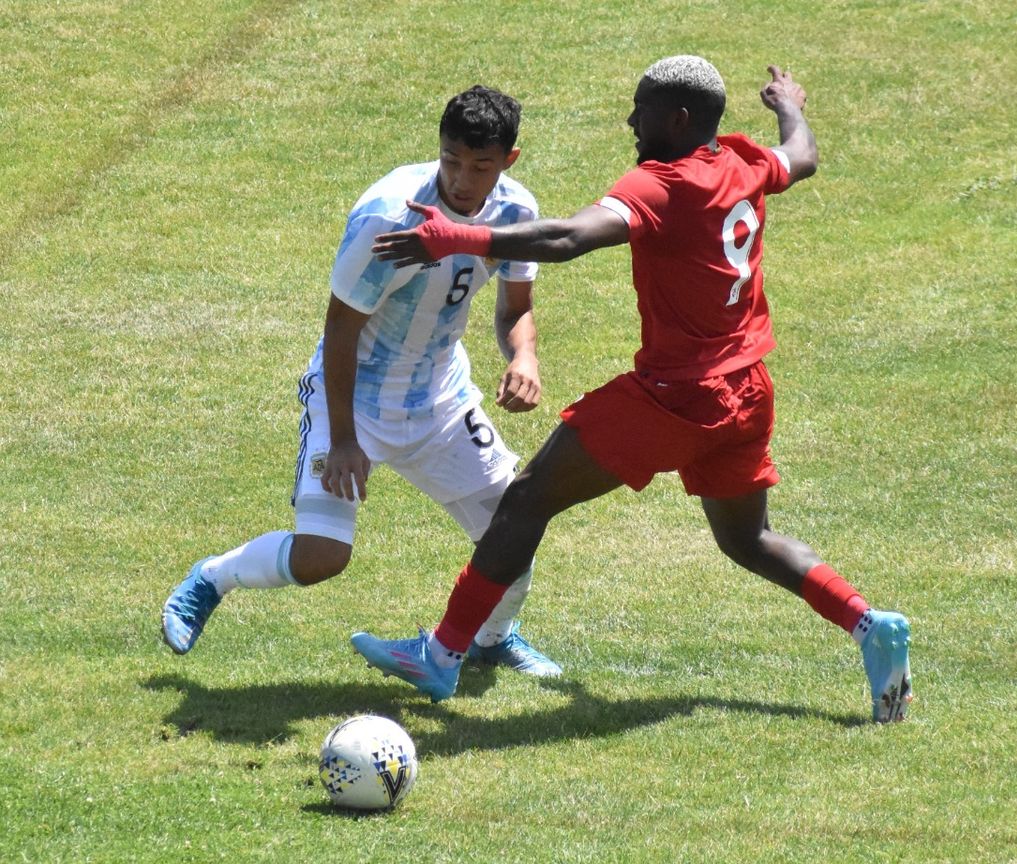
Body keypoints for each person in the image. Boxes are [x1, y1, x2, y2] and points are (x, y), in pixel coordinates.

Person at [352, 58, 912, 722]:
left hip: (677, 395)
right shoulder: (745, 161)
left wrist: (456, 237)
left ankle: (441, 655)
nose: (629, 120)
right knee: (747, 540)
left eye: (640, 109)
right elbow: (804, 155)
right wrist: (789, 103)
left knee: (526, 499)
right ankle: (868, 623)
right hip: (747, 391)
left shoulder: (659, 183)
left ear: (677, 119)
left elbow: (565, 237)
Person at [160, 86, 562, 677]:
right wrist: (346, 440)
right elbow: (341, 329)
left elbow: (513, 310)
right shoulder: (389, 215)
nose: (462, 178)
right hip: (356, 401)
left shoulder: (516, 212)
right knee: (324, 556)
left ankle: (492, 638)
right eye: (452, 159)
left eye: (480, 166)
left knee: (513, 529)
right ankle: (211, 578)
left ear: (509, 160)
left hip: (441, 400)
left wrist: (523, 357)